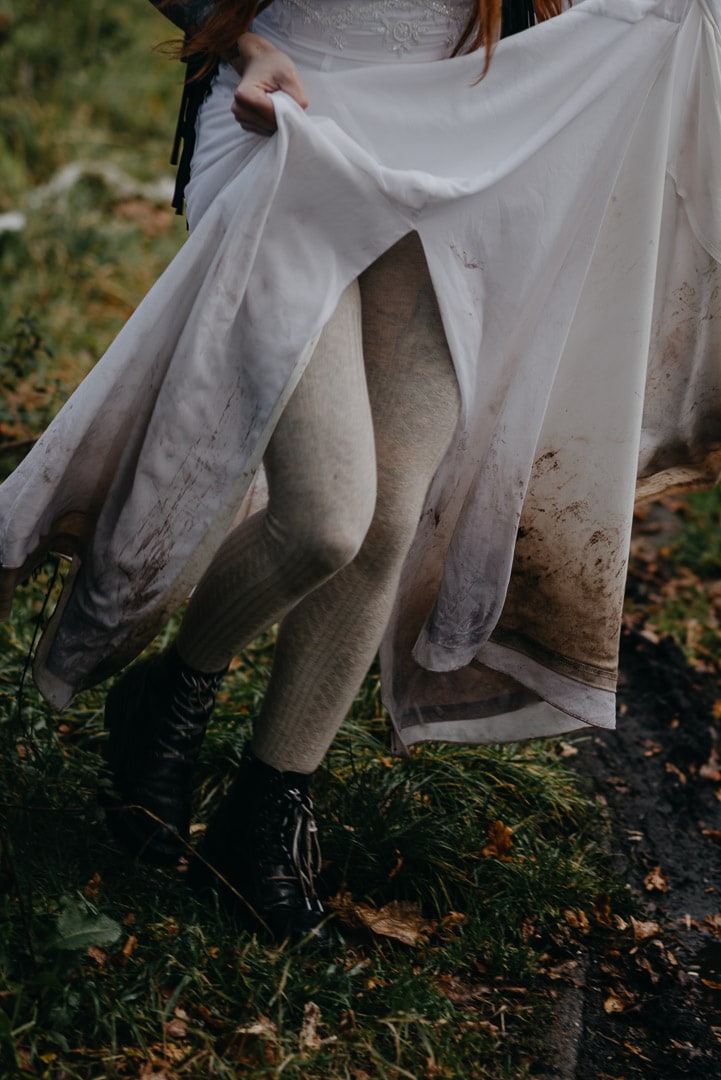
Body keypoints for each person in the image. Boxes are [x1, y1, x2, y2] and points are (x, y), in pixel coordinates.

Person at [0, 0, 719, 944]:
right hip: (289, 123)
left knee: (389, 521)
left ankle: (267, 811)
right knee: (329, 517)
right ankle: (172, 696)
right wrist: (239, 38)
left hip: (467, 142)